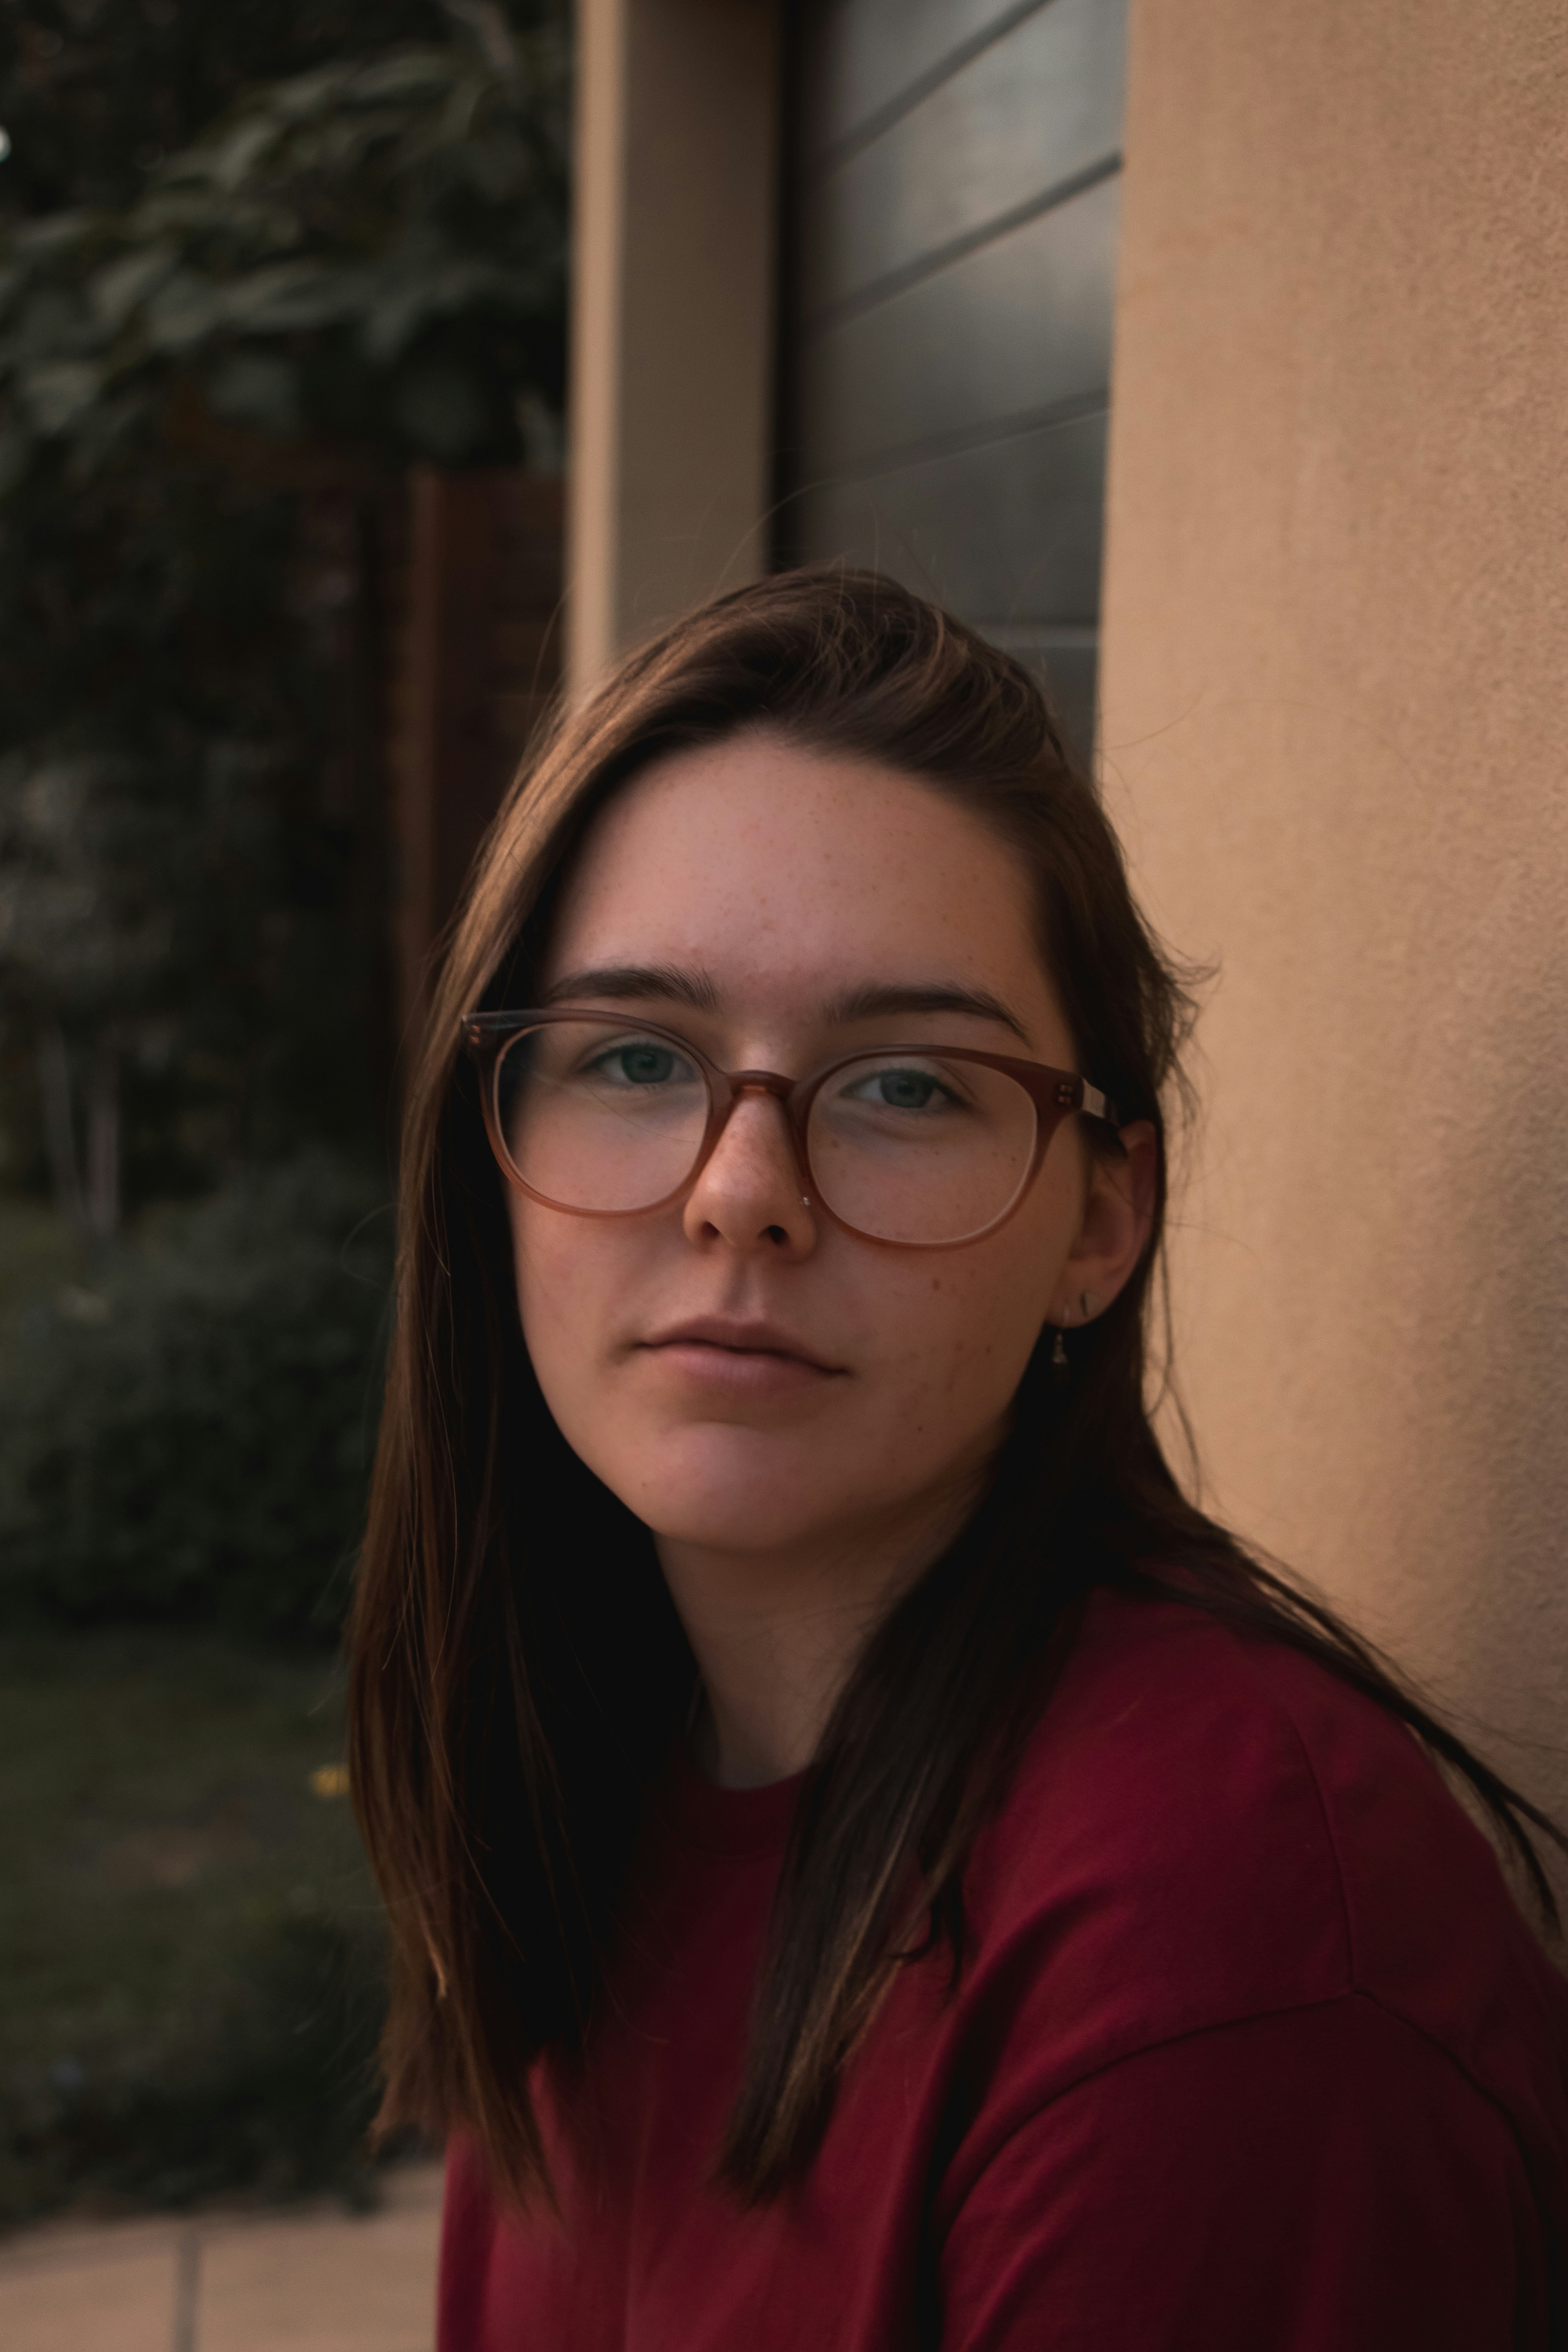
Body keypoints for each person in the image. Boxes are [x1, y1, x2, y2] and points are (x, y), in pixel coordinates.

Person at [348, 569, 1568, 2350]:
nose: (740, 1191)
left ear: (1102, 1213)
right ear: (489, 1158)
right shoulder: (591, 1759)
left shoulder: (1214, 1956)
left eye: (908, 1084)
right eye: (630, 1055)